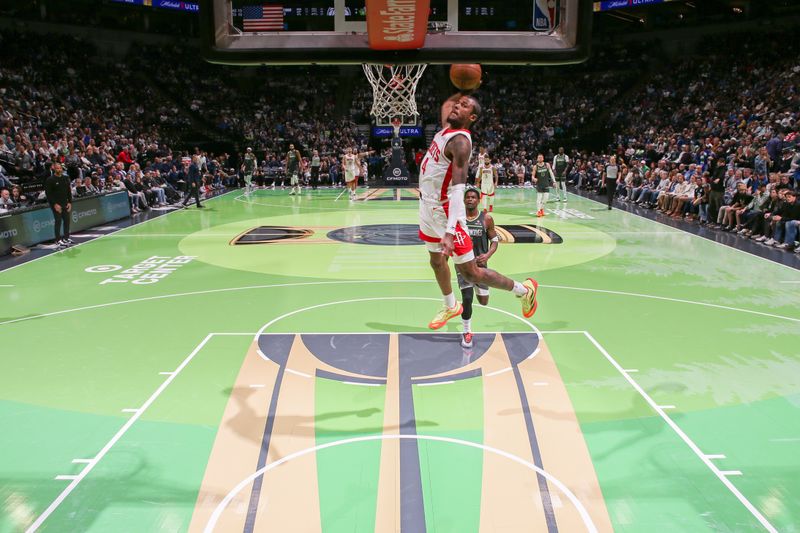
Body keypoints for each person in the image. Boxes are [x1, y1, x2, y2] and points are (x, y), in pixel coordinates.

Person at [419, 92, 538, 331]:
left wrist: (451, 231)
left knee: (471, 272)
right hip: (426, 207)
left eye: (463, 106)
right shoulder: (446, 130)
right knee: (436, 261)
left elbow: (457, 191)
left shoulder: (460, 142)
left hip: (445, 210)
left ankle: (525, 290)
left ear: (471, 117)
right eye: (457, 103)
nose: (455, 107)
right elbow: (446, 103)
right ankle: (450, 305)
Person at [458, 186, 499, 348]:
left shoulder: (486, 219)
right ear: (464, 200)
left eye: (473, 197)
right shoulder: (458, 219)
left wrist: (487, 255)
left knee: (483, 301)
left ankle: (478, 289)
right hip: (463, 265)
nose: (470, 199)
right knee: (467, 298)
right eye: (467, 197)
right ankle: (467, 331)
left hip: (481, 266)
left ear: (478, 200)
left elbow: (495, 241)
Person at [45, 162, 73, 246]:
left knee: (67, 221)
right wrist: (54, 204)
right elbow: (48, 194)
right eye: (57, 168)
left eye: (60, 168)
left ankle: (66, 238)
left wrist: (70, 202)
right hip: (56, 204)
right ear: (54, 168)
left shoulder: (65, 178)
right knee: (58, 221)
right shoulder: (50, 180)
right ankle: (58, 240)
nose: (59, 170)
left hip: (65, 203)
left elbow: (69, 191)